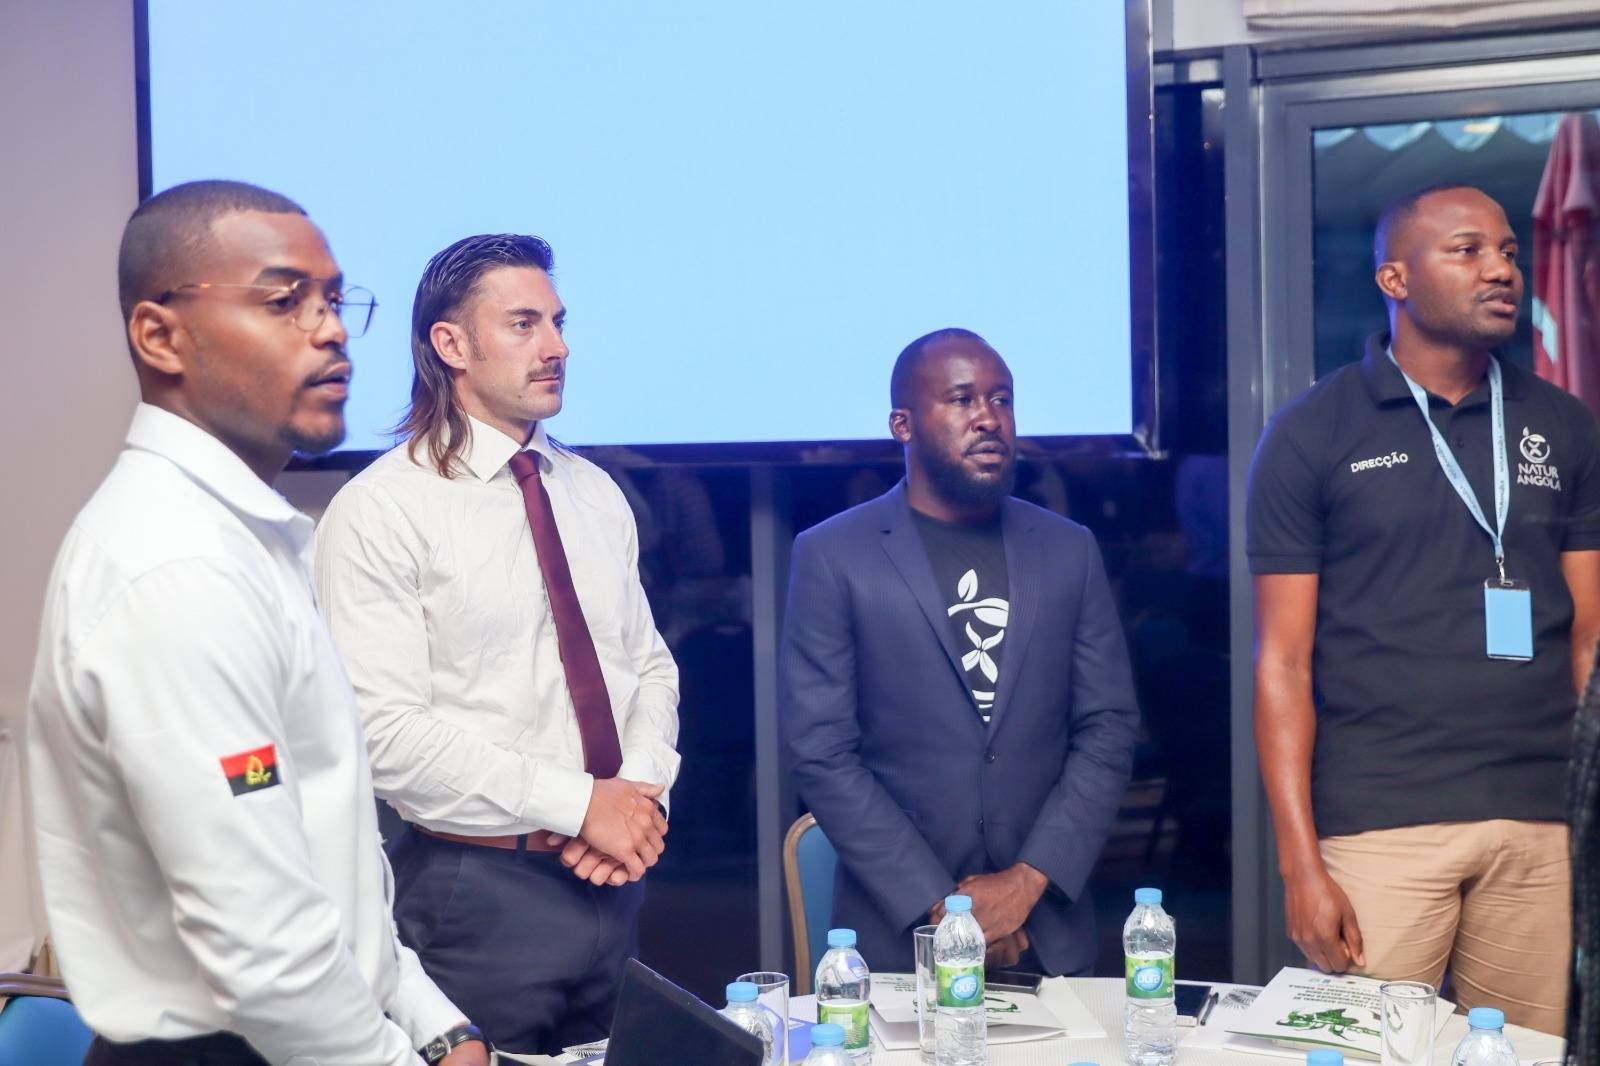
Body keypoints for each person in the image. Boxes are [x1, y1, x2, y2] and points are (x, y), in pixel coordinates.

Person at [25, 180, 487, 1065]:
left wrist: (436, 1024)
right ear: (159, 336)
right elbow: (267, 951)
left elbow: (322, 853)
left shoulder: (245, 538)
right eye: (283, 302)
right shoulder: (176, 566)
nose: (331, 329)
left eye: (334, 299)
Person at [1248, 183, 1600, 1034]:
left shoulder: (1565, 425)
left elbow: (1590, 641)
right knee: (1362, 1054)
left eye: (1508, 251)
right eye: (1467, 250)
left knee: (1529, 1056)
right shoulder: (1313, 432)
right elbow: (1282, 662)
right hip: (1382, 821)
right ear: (1396, 280)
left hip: (1540, 820)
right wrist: (1299, 864)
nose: (1501, 270)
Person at [313, 234, 677, 1055]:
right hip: (475, 894)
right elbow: (383, 733)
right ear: (451, 344)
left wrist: (640, 795)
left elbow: (648, 665)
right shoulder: (382, 510)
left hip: (612, 881)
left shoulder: (592, 492)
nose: (557, 347)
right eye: (523, 324)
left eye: (557, 322)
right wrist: (581, 803)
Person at [778, 327, 1139, 975]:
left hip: (1047, 934)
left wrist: (1026, 883)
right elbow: (821, 751)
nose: (988, 418)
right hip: (898, 940)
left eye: (1001, 399)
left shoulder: (1069, 549)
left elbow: (1108, 726)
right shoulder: (833, 554)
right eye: (962, 399)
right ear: (903, 424)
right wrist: (947, 909)